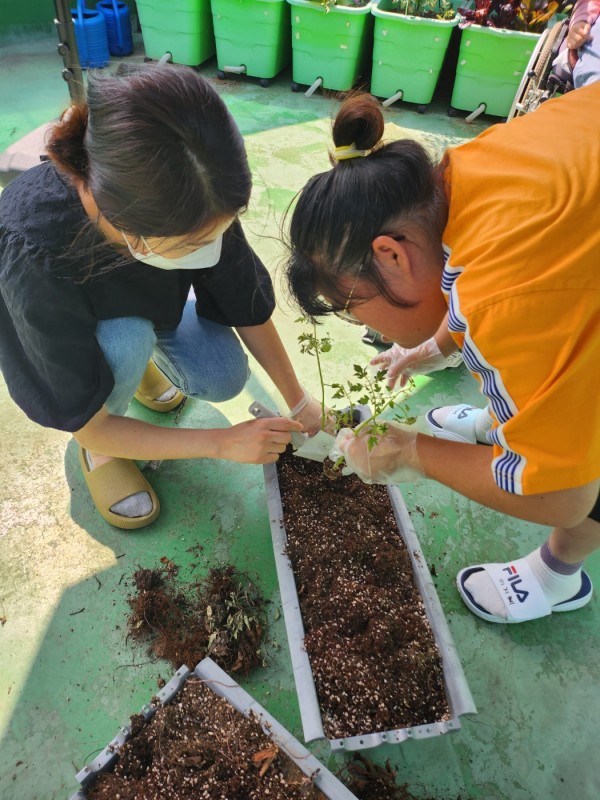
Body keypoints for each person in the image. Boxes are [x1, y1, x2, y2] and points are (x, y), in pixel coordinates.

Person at [284, 85, 600, 624]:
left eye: (354, 307)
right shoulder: (459, 173)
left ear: (390, 254)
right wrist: (437, 343)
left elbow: (566, 495)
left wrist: (413, 452)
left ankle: (557, 574)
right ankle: (512, 421)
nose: (364, 324)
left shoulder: (501, 300)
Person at [0, 63, 326, 531]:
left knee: (223, 375)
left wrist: (298, 402)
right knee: (126, 340)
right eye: (191, 245)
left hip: (155, 312)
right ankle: (102, 453)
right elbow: (82, 415)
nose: (210, 250)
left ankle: (138, 369)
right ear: (124, 221)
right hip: (95, 341)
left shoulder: (198, 191)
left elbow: (244, 301)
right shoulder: (32, 246)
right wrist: (219, 443)